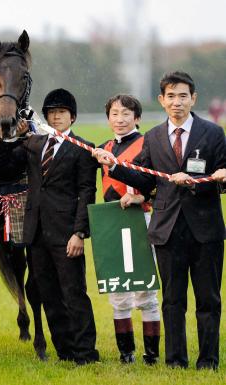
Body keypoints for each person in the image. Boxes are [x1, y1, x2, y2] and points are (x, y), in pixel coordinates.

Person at [94, 71, 226, 370]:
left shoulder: (213, 134)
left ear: (193, 98)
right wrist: (114, 167)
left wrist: (199, 181)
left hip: (206, 230)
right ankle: (175, 361)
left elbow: (222, 175)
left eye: (182, 96)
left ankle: (208, 361)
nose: (176, 102)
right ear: (161, 100)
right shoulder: (152, 137)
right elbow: (143, 179)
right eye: (170, 96)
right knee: (172, 301)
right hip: (167, 231)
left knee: (209, 300)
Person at [0, 88, 99, 364]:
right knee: (48, 293)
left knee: (73, 293)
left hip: (66, 234)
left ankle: (85, 352)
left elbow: (87, 192)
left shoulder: (82, 149)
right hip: (36, 232)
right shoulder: (35, 144)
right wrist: (10, 137)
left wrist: (79, 232)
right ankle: (64, 350)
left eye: (62, 113)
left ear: (72, 117)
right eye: (52, 113)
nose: (56, 117)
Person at [99, 94, 160, 364]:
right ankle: (126, 354)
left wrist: (144, 198)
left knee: (146, 290)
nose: (120, 119)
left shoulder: (150, 144)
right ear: (108, 117)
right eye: (114, 113)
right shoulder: (103, 148)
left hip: (142, 220)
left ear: (137, 118)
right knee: (118, 291)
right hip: (110, 224)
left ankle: (151, 354)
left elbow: (159, 185)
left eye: (126, 114)